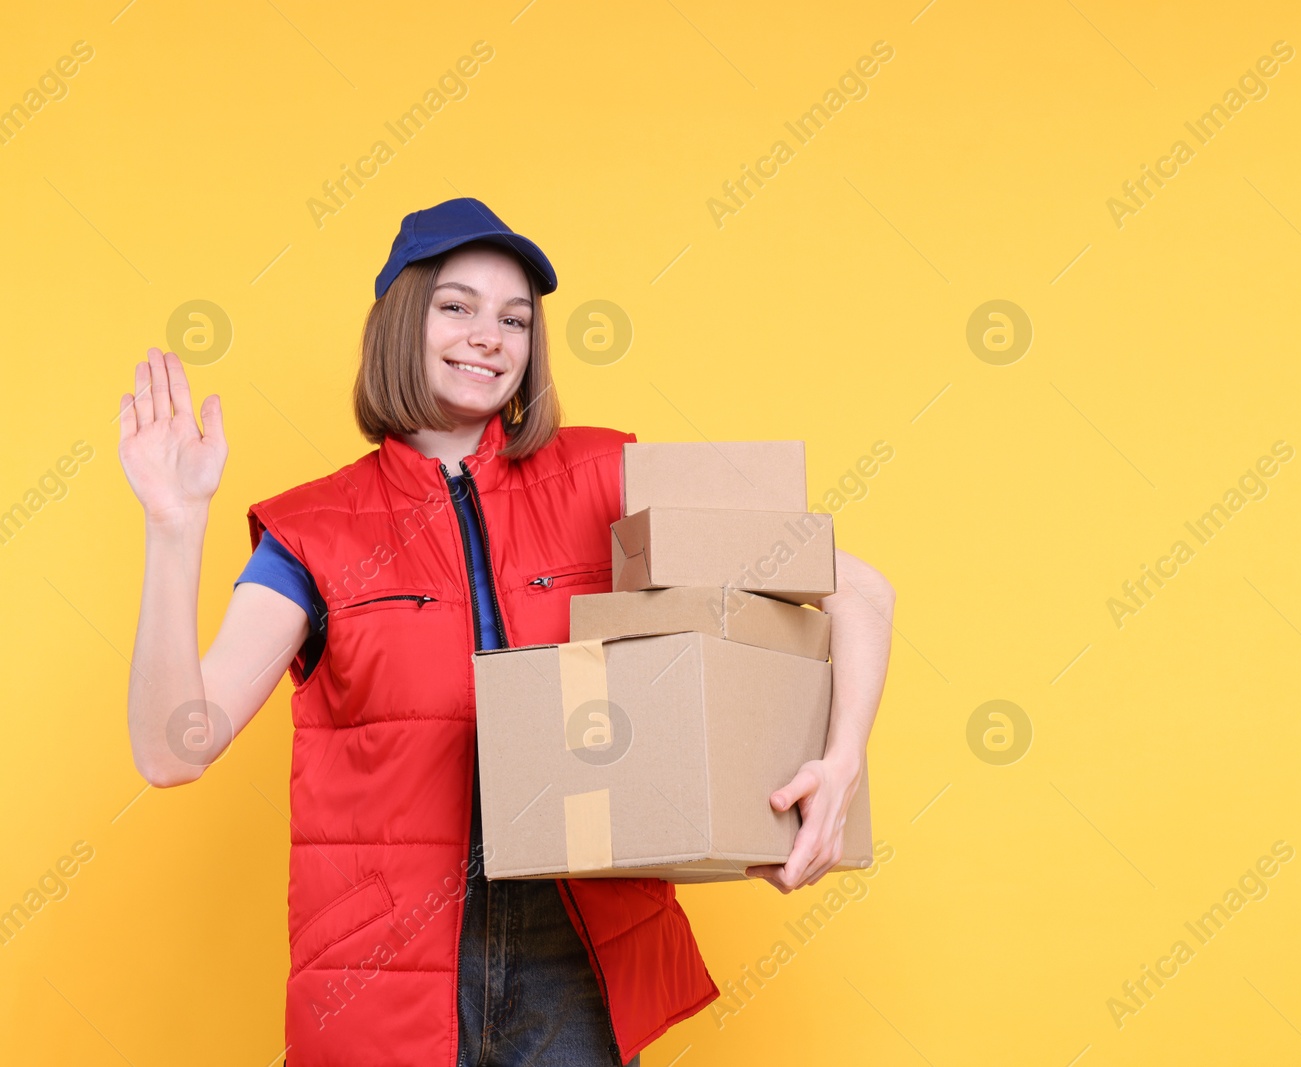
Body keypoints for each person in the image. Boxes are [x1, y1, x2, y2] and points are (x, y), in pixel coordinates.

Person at [117, 198, 896, 1067]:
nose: (489, 335)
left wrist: (841, 762)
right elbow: (173, 750)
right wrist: (173, 527)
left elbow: (859, 591)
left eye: (515, 319)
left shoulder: (612, 479)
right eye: (457, 307)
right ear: (400, 324)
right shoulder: (316, 530)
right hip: (385, 978)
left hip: (575, 964)